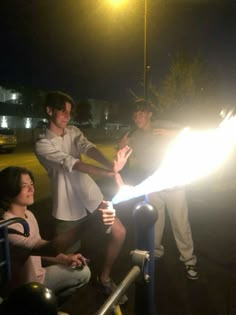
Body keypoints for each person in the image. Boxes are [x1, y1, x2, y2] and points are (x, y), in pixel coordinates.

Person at [34, 91, 131, 301]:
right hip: (66, 206)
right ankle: (64, 297)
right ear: (49, 111)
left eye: (69, 112)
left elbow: (89, 148)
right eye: (62, 110)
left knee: (119, 232)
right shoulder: (42, 144)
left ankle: (104, 278)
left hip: (90, 196)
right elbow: (73, 163)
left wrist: (110, 164)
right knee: (66, 258)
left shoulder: (73, 131)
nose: (67, 116)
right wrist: (110, 173)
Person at [118, 100, 199, 280]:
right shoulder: (135, 136)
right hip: (152, 185)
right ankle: (155, 253)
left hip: (174, 182)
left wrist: (173, 133)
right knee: (154, 222)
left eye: (141, 113)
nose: (137, 117)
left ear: (149, 114)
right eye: (135, 114)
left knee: (180, 222)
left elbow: (191, 133)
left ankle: (189, 260)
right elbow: (121, 154)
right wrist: (121, 144)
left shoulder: (163, 126)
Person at [0, 166, 92, 303]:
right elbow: (47, 248)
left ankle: (47, 305)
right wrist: (91, 223)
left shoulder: (28, 214)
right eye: (24, 186)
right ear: (9, 190)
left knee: (83, 271)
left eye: (31, 184)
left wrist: (66, 258)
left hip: (39, 278)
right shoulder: (8, 226)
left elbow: (37, 252)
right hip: (25, 290)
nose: (31, 189)